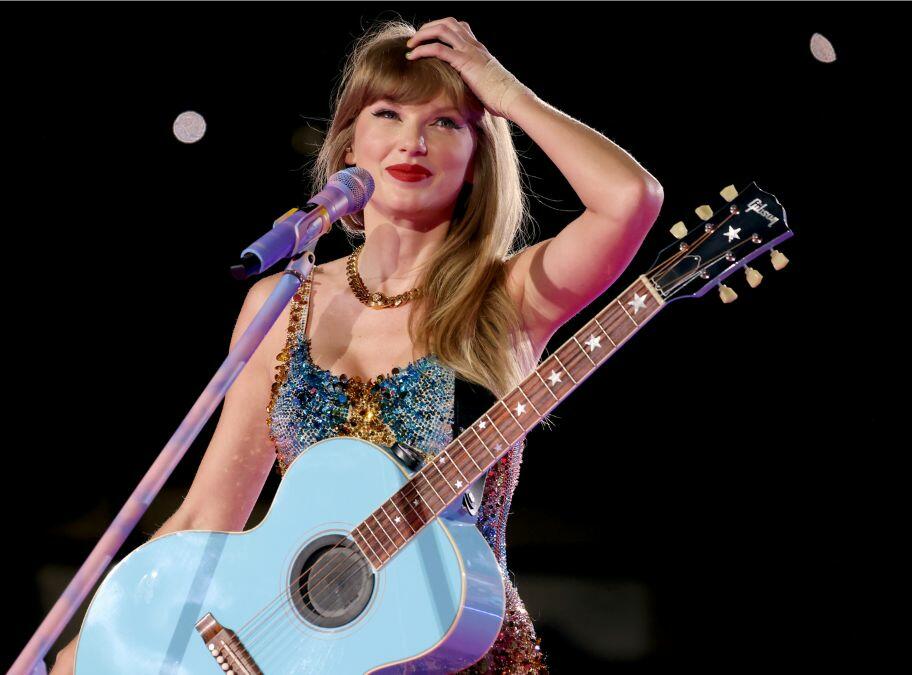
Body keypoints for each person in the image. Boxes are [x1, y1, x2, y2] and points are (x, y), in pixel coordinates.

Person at [53, 17, 662, 675]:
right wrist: (89, 651)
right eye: (388, 113)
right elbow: (208, 516)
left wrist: (504, 92)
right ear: (349, 145)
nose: (412, 141)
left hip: (459, 656)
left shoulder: (508, 296)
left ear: (477, 160)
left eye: (445, 122)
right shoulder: (283, 304)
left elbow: (629, 199)